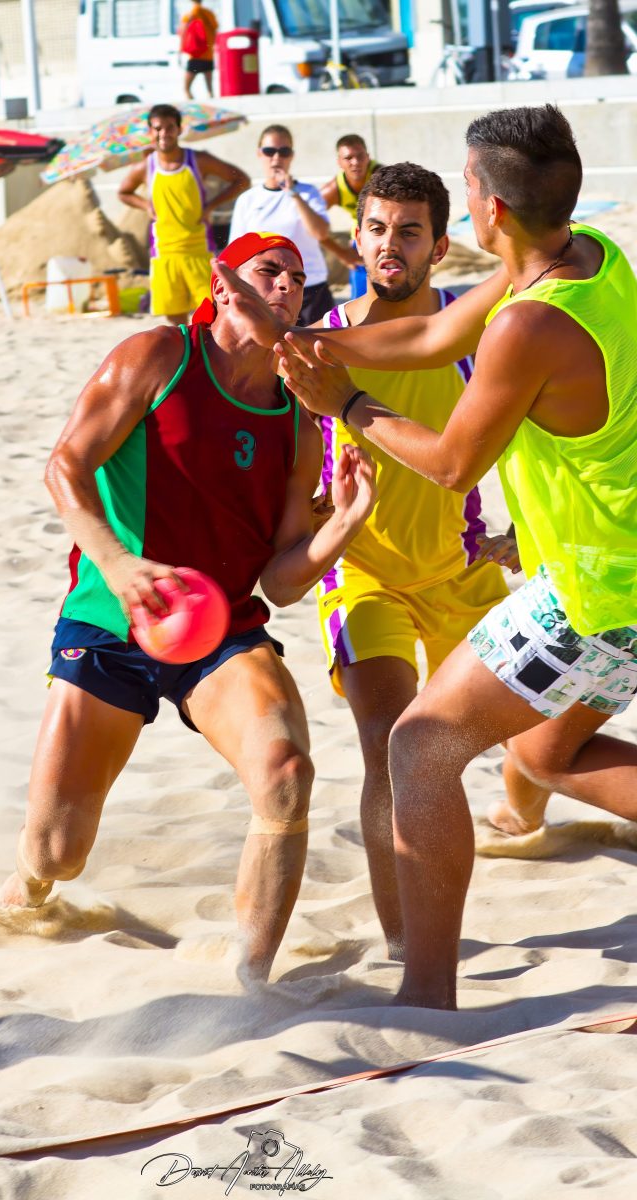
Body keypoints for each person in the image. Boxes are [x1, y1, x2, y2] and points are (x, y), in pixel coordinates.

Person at [217, 104, 637, 1010]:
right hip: (617, 574)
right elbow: (430, 335)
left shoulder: (529, 324)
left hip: (593, 591)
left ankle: (426, 994)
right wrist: (311, 347)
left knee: (417, 749)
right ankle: (421, 956)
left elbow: (454, 464)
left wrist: (350, 403)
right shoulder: (589, 255)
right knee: (554, 757)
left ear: (481, 213)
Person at [0, 231, 377, 984]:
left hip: (221, 628)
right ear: (225, 281)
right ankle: (26, 889)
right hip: (112, 616)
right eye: (270, 271)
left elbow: (283, 581)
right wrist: (117, 562)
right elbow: (64, 467)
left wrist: (341, 524)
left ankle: (249, 978)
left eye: (299, 281)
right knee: (57, 852)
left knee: (287, 771)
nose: (287, 289)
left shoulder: (301, 417)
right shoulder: (160, 355)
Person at [312, 162, 513, 962]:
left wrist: (515, 531)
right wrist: (314, 514)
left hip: (461, 569)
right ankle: (404, 942)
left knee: (537, 749)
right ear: (355, 235)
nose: (389, 245)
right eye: (376, 228)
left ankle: (524, 813)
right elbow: (295, 462)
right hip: (366, 577)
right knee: (387, 747)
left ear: (438, 246)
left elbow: (520, 443)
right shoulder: (324, 338)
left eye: (409, 231)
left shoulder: (471, 334)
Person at [118, 103, 250, 326]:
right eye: (158, 128)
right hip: (164, 252)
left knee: (209, 315)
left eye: (170, 127)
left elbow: (241, 180)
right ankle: (189, 357)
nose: (164, 133)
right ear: (150, 132)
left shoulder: (198, 160)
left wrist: (211, 206)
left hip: (198, 248)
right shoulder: (144, 167)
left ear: (179, 130)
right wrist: (145, 205)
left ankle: (207, 357)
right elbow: (123, 192)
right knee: (176, 321)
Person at [229, 125, 334, 326]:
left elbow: (320, 232)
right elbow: (236, 254)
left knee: (319, 353)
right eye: (270, 151)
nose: (276, 158)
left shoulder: (308, 193)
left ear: (291, 156)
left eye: (283, 152)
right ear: (259, 154)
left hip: (310, 288)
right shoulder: (248, 200)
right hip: (266, 293)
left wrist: (293, 193)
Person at [320, 134, 380, 300]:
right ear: (339, 162)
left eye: (360, 156)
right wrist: (341, 253)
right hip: (361, 234)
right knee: (360, 294)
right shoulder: (333, 190)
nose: (355, 162)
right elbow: (307, 223)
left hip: (388, 233)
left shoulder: (381, 177)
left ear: (368, 157)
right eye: (348, 158)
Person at [178, 0, 218, 99]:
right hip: (208, 54)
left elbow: (183, 33)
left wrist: (180, 50)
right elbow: (215, 28)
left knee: (186, 88)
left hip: (195, 55)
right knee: (209, 89)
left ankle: (193, 108)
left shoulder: (189, 15)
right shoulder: (209, 13)